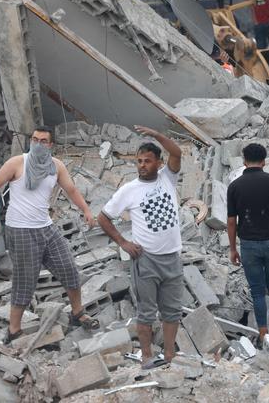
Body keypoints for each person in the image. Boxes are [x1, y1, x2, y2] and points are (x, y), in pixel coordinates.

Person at [0, 126, 98, 345]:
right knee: (25, 281)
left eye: (43, 141)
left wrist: (86, 210)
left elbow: (71, 190)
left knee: (69, 270)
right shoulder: (17, 163)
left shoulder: (56, 166)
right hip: (20, 229)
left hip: (45, 227)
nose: (37, 144)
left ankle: (77, 313)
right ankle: (14, 330)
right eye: (34, 139)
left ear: (50, 145)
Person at [97, 126, 182, 368]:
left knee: (172, 311)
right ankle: (146, 356)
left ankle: (169, 355)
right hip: (147, 260)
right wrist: (123, 242)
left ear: (158, 162)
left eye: (147, 161)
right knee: (146, 312)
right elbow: (103, 217)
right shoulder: (129, 190)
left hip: (172, 258)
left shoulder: (168, 177)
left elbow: (177, 153)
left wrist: (156, 134)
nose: (142, 165)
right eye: (139, 161)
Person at [226, 144, 269, 341]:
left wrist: (233, 249)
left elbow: (230, 220)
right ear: (264, 161)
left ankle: (263, 335)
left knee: (257, 291)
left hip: (249, 244)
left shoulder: (234, 186)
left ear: (244, 161)